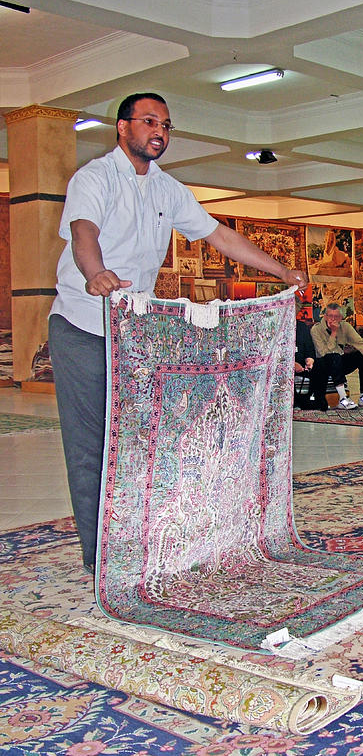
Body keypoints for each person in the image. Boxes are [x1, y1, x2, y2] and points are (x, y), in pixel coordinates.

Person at [49, 92, 308, 573]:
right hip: (84, 322)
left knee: (145, 439)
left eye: (166, 125)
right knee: (91, 442)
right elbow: (83, 233)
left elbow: (220, 237)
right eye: (149, 122)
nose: (159, 133)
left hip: (135, 328)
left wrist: (282, 270)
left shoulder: (169, 190)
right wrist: (96, 271)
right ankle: (99, 557)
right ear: (122, 128)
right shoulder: (94, 178)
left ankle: (144, 538)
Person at [310, 303, 363, 410]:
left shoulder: (345, 326)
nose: (332, 319)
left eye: (336, 317)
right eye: (330, 316)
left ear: (341, 318)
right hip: (323, 365)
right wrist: (334, 333)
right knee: (334, 357)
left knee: (362, 356)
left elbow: (359, 342)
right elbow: (323, 352)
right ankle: (343, 398)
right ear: (325, 316)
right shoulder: (316, 329)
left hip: (339, 363)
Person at [294, 300, 321, 409]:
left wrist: (310, 359)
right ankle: (295, 402)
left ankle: (314, 401)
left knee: (321, 366)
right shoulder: (277, 327)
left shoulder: (302, 327)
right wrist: (292, 364)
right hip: (284, 363)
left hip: (302, 362)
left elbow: (309, 347)